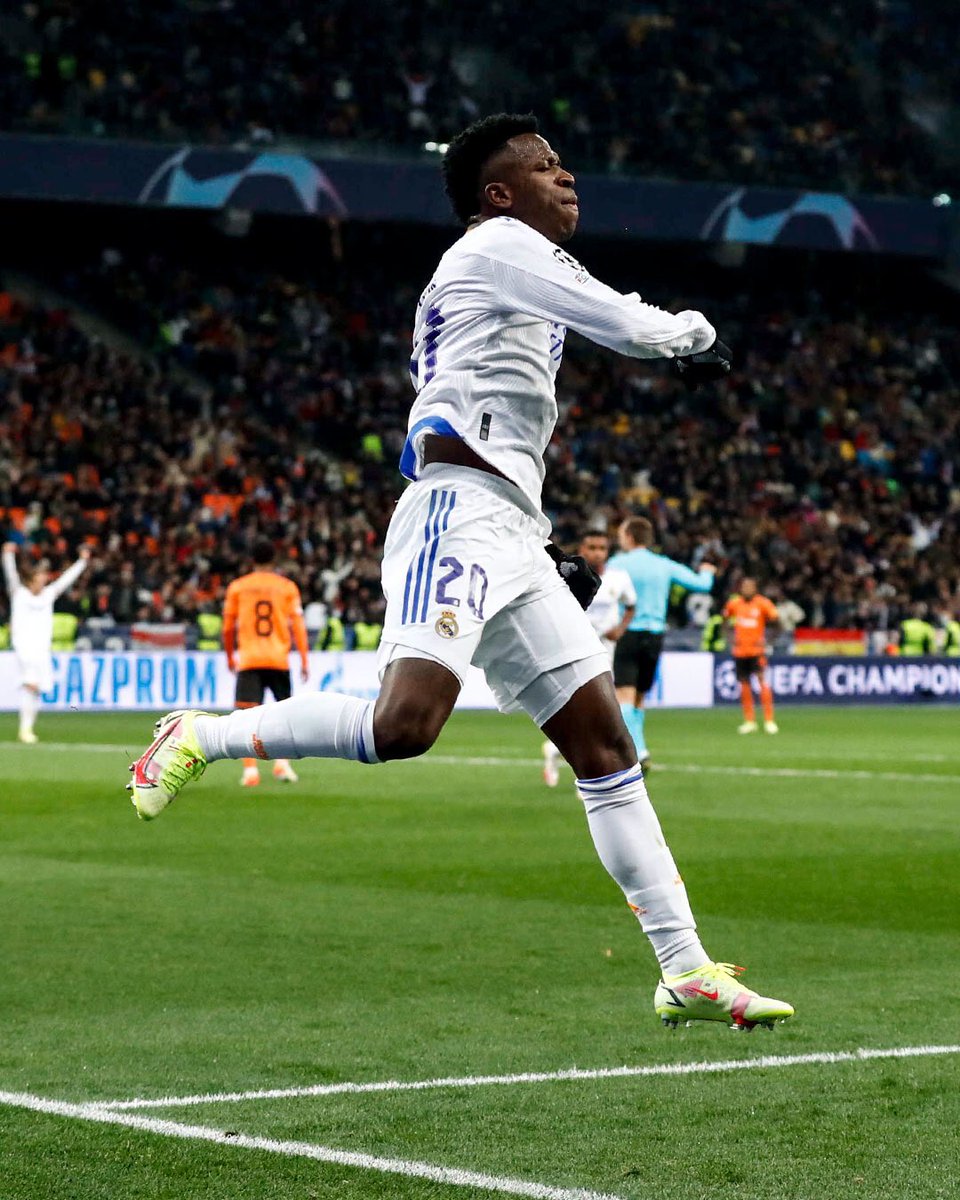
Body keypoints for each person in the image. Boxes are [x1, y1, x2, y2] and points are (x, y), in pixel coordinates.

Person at [128, 112, 792, 1031]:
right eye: (546, 165)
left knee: (606, 750)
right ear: (499, 192)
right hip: (455, 513)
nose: (567, 176)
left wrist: (537, 546)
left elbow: (486, 401)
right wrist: (693, 333)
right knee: (404, 725)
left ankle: (684, 969)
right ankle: (204, 733)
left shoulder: (511, 270)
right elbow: (625, 322)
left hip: (509, 527)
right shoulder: (497, 246)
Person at [608, 517, 716, 765]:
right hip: (655, 635)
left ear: (630, 537)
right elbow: (702, 585)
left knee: (624, 694)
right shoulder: (663, 564)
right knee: (639, 697)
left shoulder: (616, 564)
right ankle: (638, 746)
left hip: (627, 633)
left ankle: (638, 750)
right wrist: (708, 571)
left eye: (622, 535)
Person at [542, 529, 635, 787]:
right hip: (574, 648)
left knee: (600, 712)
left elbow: (631, 605)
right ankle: (589, 774)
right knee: (586, 710)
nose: (597, 553)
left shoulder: (619, 578)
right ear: (581, 549)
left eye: (602, 548)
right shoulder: (566, 574)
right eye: (592, 547)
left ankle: (556, 752)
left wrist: (621, 629)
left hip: (605, 650)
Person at [222, 539, 310, 787]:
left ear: (252, 560)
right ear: (274, 560)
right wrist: (304, 659)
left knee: (246, 718)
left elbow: (228, 627)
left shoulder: (238, 587)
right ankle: (282, 764)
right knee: (284, 715)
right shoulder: (287, 587)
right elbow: (298, 626)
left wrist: (229, 656)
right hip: (278, 659)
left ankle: (251, 772)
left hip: (250, 659)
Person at [2, 542, 91, 743]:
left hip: (42, 649)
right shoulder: (19, 594)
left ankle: (27, 729)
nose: (42, 582)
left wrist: (82, 562)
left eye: (44, 579)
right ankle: (25, 729)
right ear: (31, 580)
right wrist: (7, 556)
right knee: (31, 685)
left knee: (36, 689)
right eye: (39, 579)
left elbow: (66, 580)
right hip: (24, 648)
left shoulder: (48, 595)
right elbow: (11, 575)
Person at [723, 578, 779, 734]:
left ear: (755, 588)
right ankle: (749, 721)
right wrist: (730, 638)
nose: (747, 589)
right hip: (740, 651)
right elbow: (724, 621)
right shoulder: (734, 604)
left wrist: (767, 641)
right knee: (744, 684)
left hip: (756, 651)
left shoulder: (763, 603)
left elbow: (777, 624)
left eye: (750, 586)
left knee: (762, 681)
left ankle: (769, 720)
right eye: (744, 586)